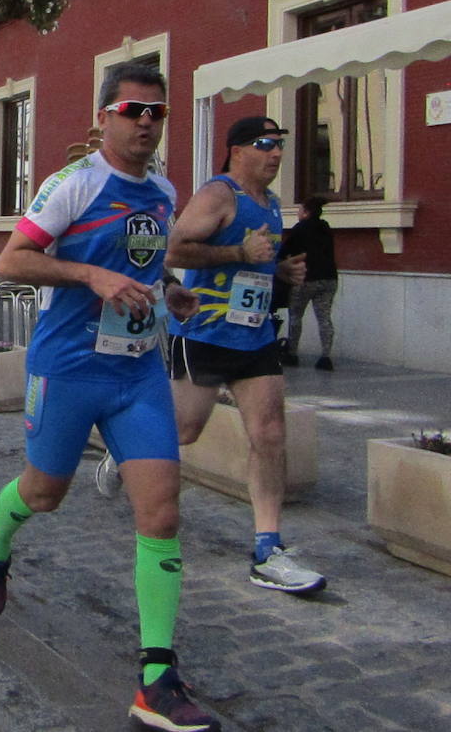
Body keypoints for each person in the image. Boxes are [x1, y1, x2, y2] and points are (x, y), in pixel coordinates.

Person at [0, 65, 222, 732]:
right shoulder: (73, 184)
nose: (146, 121)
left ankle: (157, 679)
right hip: (69, 367)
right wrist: (90, 274)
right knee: (44, 492)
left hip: (137, 371)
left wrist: (167, 287)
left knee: (162, 511)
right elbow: (13, 260)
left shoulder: (165, 191)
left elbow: (144, 259)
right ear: (105, 115)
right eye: (134, 109)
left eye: (157, 112)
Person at [166, 115, 323, 595]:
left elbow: (257, 263)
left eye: (280, 145)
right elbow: (174, 251)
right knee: (185, 431)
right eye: (264, 144)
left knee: (271, 433)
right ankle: (125, 449)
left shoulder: (273, 204)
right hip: (206, 332)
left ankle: (268, 547)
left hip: (254, 337)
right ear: (237, 150)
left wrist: (281, 272)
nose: (276, 153)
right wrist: (238, 254)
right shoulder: (218, 195)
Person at [280, 196, 338, 371]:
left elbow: (284, 251)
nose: (298, 213)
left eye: (300, 210)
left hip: (305, 278)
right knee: (324, 317)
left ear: (306, 212)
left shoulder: (300, 229)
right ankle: (326, 356)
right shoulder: (325, 227)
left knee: (296, 316)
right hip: (329, 278)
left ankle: (292, 353)